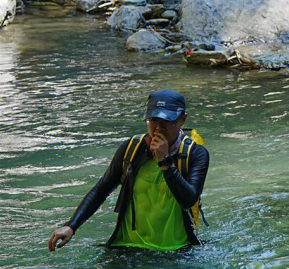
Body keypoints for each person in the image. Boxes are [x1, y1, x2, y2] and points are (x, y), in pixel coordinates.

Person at [47, 90, 209, 252]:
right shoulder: (131, 149)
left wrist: (165, 160)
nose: (159, 129)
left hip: (175, 250)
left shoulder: (195, 154)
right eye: (153, 121)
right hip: (126, 246)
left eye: (166, 121)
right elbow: (101, 189)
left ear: (182, 119)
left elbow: (189, 200)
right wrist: (71, 226)